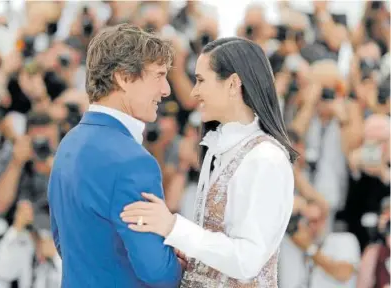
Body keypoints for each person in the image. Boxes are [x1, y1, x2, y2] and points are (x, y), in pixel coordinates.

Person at [121, 37, 298, 287]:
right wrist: (189, 251)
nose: (194, 92)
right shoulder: (217, 148)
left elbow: (247, 261)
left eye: (201, 80)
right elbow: (215, 243)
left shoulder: (265, 158)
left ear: (233, 84)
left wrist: (174, 227)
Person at [47, 23, 183, 287]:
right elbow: (155, 271)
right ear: (123, 77)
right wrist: (178, 265)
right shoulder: (134, 162)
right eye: (158, 75)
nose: (166, 89)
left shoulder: (68, 144)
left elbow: (64, 244)